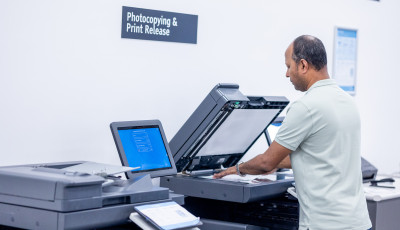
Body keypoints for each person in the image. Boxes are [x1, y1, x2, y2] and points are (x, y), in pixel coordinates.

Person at [214, 35, 372, 230]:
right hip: (358, 222)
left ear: (303, 65)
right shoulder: (347, 102)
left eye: (289, 66)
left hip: (326, 225)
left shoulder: (306, 106)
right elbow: (320, 155)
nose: (287, 74)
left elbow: (266, 162)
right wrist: (276, 164)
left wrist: (237, 169)